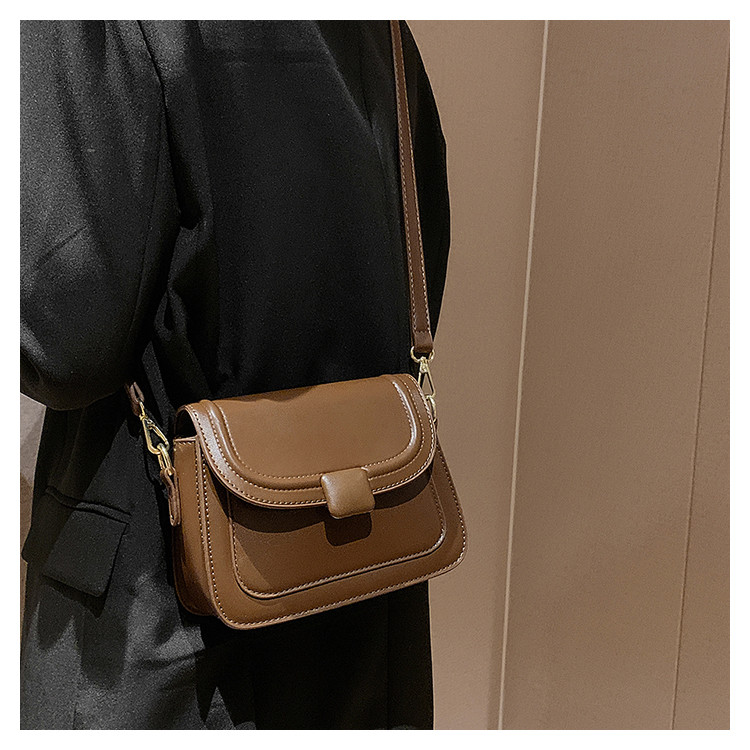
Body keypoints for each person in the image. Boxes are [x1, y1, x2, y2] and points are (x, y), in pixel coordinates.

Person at [20, 20, 450, 730]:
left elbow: (63, 337)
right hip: (367, 605)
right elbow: (417, 277)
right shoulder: (385, 38)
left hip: (162, 624)